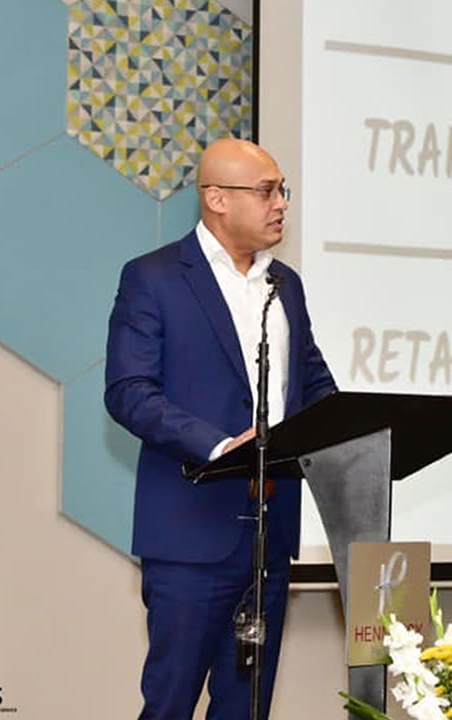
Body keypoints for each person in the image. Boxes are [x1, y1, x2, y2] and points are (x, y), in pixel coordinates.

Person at [105, 138, 337, 719]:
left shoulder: (286, 286)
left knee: (246, 710)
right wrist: (218, 445)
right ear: (216, 198)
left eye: (283, 190)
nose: (282, 203)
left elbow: (313, 384)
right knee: (170, 705)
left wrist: (356, 427)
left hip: (271, 535)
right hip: (191, 534)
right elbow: (129, 392)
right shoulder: (154, 278)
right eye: (267, 191)